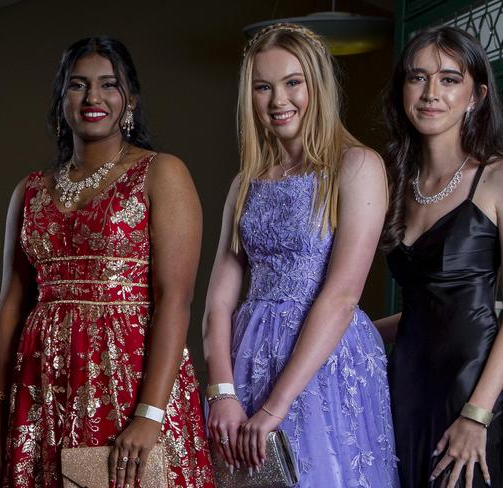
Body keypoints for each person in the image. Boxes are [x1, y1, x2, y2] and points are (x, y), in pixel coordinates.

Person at [0, 36, 214, 488]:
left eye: (109, 85)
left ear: (129, 100)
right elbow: (11, 304)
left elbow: (175, 300)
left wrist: (150, 414)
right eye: (78, 85)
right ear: (60, 100)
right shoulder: (28, 190)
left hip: (128, 385)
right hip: (41, 390)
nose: (93, 98)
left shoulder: (161, 173)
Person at [202, 23, 400, 487]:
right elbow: (217, 303)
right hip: (247, 356)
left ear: (317, 85)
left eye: (293, 83)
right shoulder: (245, 183)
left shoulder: (357, 166)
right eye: (263, 87)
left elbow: (343, 297)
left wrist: (276, 405)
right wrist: (222, 393)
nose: (278, 100)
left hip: (324, 361)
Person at [379, 26, 503, 488]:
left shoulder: (494, 178)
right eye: (418, 77)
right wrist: (352, 334)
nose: (432, 93)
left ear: (477, 95)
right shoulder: (393, 183)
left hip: (473, 388)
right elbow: (424, 307)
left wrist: (477, 414)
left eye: (450, 79)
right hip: (404, 386)